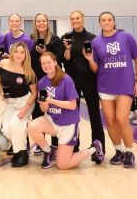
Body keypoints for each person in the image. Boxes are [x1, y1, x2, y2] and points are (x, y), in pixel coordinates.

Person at [84, 11, 137, 168]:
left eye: (109, 19)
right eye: (103, 20)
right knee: (110, 121)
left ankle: (129, 152)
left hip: (124, 85)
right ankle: (118, 151)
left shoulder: (126, 37)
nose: (106, 22)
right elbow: (95, 69)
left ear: (114, 22)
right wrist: (90, 59)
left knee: (122, 120)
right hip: (105, 86)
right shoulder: (96, 42)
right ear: (99, 23)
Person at [28, 52, 104, 169]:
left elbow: (72, 105)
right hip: (53, 120)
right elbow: (44, 109)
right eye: (43, 63)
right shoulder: (42, 82)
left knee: (63, 165)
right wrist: (44, 103)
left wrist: (51, 100)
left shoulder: (66, 79)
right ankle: (49, 151)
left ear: (55, 62)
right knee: (32, 126)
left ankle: (94, 147)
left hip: (68, 123)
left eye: (49, 62)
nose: (46, 65)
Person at [61, 10, 105, 156]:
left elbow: (95, 65)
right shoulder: (66, 38)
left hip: (89, 80)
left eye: (77, 18)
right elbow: (65, 59)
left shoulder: (94, 39)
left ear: (83, 19)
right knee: (73, 115)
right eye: (72, 18)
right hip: (71, 80)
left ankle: (98, 148)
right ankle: (73, 147)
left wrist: (90, 59)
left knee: (94, 114)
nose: (75, 20)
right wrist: (67, 48)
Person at [30, 12, 66, 156]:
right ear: (35, 23)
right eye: (38, 21)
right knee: (38, 111)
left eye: (43, 21)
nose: (41, 23)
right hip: (36, 79)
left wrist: (47, 52)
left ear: (47, 23)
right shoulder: (31, 39)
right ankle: (41, 144)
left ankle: (56, 144)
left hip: (53, 79)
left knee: (54, 110)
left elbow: (61, 58)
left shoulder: (55, 39)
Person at [0, 42, 37, 167]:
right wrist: (1, 91)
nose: (18, 55)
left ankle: (22, 153)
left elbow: (34, 92)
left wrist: (26, 107)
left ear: (26, 55)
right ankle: (22, 145)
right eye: (16, 51)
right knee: (6, 129)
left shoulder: (28, 71)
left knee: (15, 124)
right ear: (12, 52)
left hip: (24, 101)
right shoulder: (3, 64)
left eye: (22, 52)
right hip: (8, 101)